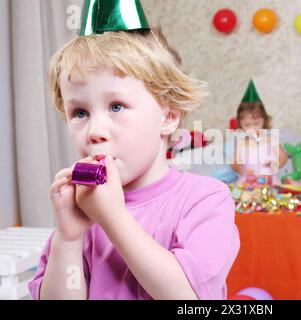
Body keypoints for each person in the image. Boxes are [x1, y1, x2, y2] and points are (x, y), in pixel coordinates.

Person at [28, 0, 239, 300]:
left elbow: (186, 297)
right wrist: (69, 238)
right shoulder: (83, 209)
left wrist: (114, 218)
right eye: (80, 112)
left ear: (167, 117)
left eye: (116, 106)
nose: (95, 131)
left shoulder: (205, 200)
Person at [231, 80, 288, 186]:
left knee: (272, 197)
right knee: (243, 197)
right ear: (240, 124)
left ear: (264, 121)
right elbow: (234, 162)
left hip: (268, 181)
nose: (252, 128)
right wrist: (236, 166)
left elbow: (283, 156)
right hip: (248, 182)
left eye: (256, 124)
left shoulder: (270, 140)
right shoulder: (242, 143)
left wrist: (276, 163)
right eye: (247, 125)